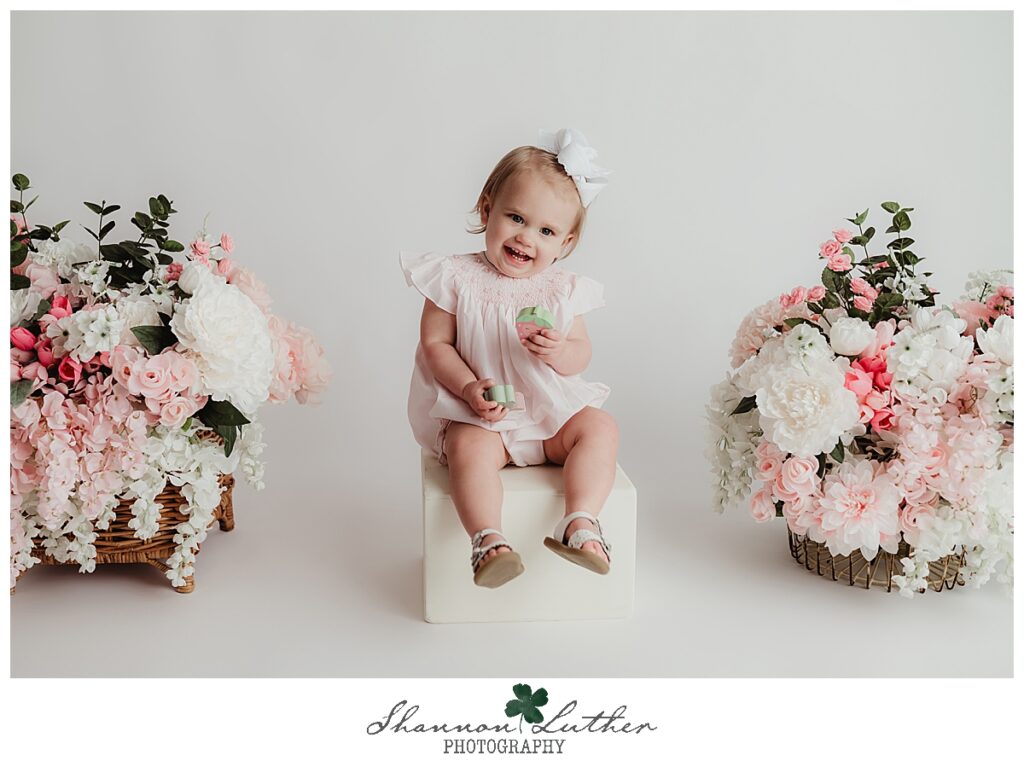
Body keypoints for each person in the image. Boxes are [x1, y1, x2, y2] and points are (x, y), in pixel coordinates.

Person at [401, 128, 618, 588]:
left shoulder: (562, 289)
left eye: (546, 231)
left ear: (565, 244)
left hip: (548, 417)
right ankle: (488, 540)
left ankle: (580, 521)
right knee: (467, 448)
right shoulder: (454, 277)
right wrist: (468, 388)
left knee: (600, 427)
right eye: (516, 217)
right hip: (485, 419)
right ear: (487, 210)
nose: (526, 237)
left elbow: (581, 353)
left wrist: (561, 350)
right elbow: (435, 345)